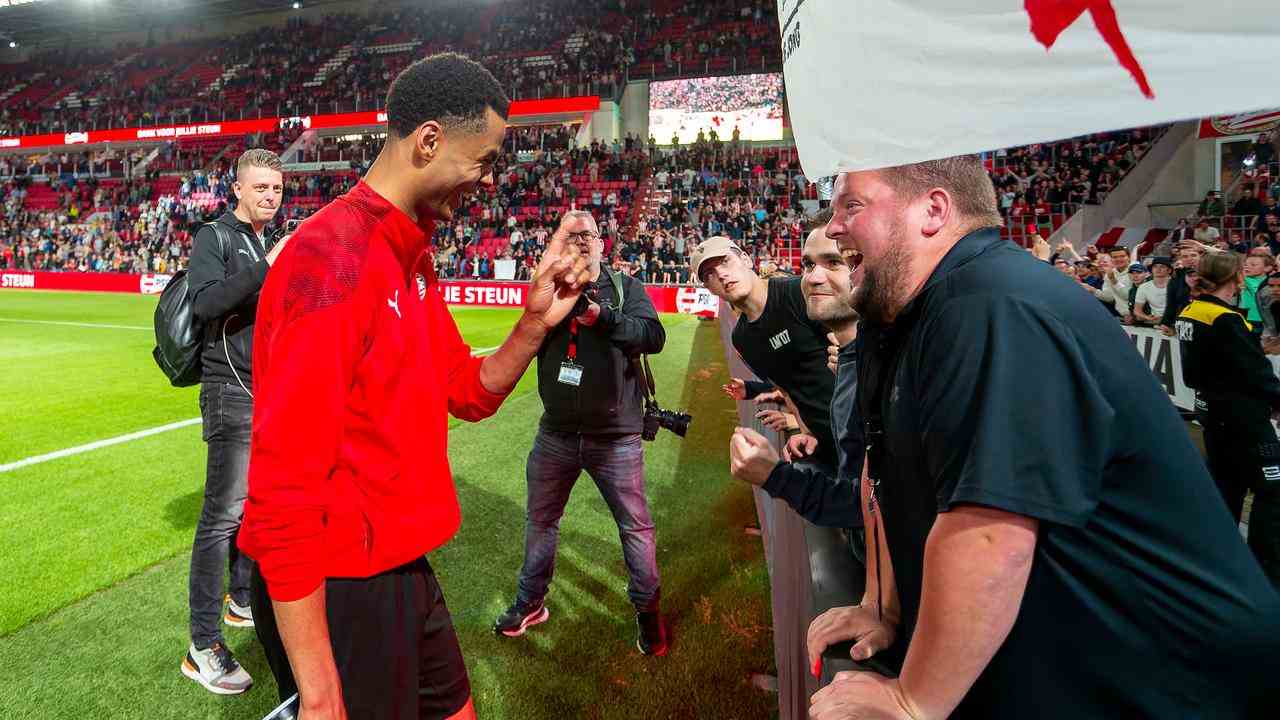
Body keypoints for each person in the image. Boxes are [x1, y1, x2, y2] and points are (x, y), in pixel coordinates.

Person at [807, 158, 1279, 719]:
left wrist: (913, 702)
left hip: (1171, 683)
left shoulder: (989, 304)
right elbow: (882, 469)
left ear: (933, 210)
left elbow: (990, 534)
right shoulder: (911, 314)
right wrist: (881, 605)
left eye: (851, 206)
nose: (832, 226)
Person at [239, 54, 591, 720]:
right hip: (343, 583)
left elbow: (466, 388)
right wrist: (318, 695)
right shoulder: (332, 260)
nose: (487, 182)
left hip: (399, 566)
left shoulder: (410, 251)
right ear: (428, 141)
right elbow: (282, 492)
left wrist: (536, 321)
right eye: (482, 161)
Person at [493, 210, 670, 656]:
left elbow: (653, 336)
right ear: (560, 243)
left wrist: (602, 317)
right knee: (541, 523)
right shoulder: (547, 289)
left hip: (616, 437)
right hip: (555, 434)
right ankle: (531, 603)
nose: (583, 241)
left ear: (602, 242)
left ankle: (648, 613)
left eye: (589, 234)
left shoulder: (624, 287)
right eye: (572, 235)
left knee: (635, 529)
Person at [181, 148, 287, 695]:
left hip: (267, 392)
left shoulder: (269, 238)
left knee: (256, 506)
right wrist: (268, 268)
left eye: (277, 188)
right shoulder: (215, 237)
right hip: (229, 390)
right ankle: (202, 645)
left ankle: (241, 599)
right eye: (261, 188)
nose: (270, 196)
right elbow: (204, 305)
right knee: (222, 516)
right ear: (239, 189)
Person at [728, 210, 864, 551]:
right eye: (807, 265)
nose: (814, 277)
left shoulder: (890, 367)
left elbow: (879, 507)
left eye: (834, 262)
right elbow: (867, 505)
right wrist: (804, 427)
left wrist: (774, 476)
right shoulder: (852, 364)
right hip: (831, 451)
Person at [1176, 251, 1280, 587]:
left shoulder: (1191, 311)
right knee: (1272, 489)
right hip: (1243, 417)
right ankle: (1267, 571)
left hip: (1214, 413)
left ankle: (1218, 563)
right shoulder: (1225, 319)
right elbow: (1255, 371)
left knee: (1228, 488)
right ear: (1235, 279)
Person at [693, 236, 839, 470]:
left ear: (746, 259)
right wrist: (805, 430)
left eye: (726, 262)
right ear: (708, 288)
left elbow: (851, 353)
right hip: (825, 448)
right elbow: (787, 390)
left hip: (866, 432)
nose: (720, 274)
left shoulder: (798, 291)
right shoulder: (741, 339)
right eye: (709, 274)